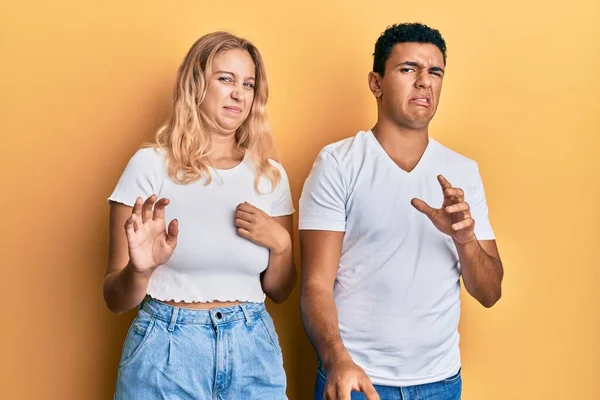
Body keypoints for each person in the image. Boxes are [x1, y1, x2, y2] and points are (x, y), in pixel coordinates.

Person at [299, 23, 504, 400]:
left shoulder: (463, 172)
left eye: (435, 71)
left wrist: (466, 240)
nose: (424, 82)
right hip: (356, 380)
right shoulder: (338, 164)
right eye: (409, 69)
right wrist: (338, 360)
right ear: (376, 83)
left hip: (440, 382)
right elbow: (314, 285)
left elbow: (490, 292)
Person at [103, 31, 295, 400]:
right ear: (195, 85)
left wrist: (282, 247)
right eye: (225, 79)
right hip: (166, 351)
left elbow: (281, 291)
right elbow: (115, 299)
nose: (239, 93)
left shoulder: (269, 175)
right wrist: (139, 271)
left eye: (248, 83)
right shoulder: (150, 166)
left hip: (253, 348)